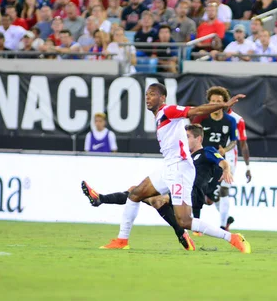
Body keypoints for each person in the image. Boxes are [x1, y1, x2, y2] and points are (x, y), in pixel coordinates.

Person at [82, 83, 250, 253]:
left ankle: (232, 238)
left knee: (184, 220)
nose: (148, 97)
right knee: (135, 194)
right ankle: (122, 240)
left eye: (153, 94)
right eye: (147, 94)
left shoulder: (168, 110)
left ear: (162, 98)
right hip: (169, 166)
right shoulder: (160, 116)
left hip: (180, 169)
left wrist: (224, 105)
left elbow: (196, 110)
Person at [82, 124, 234, 252]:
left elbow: (222, 162)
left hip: (192, 193)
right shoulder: (184, 157)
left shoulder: (207, 151)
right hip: (177, 188)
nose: (184, 139)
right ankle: (100, 199)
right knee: (139, 192)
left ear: (198, 138)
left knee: (154, 199)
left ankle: (101, 200)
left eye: (187, 136)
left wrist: (226, 169)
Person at [197, 86, 239, 231]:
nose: (215, 104)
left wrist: (224, 150)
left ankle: (223, 222)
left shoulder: (230, 121)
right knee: (199, 191)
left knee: (210, 198)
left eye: (218, 101)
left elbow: (234, 141)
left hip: (218, 163)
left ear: (224, 103)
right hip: (201, 160)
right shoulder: (202, 118)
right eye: (212, 101)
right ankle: (198, 224)